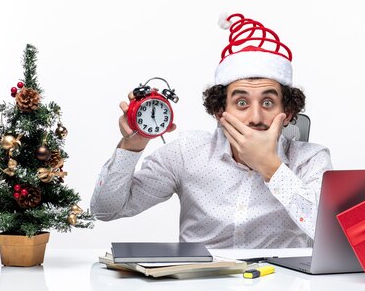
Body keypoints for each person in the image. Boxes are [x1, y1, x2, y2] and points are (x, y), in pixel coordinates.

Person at [90, 14, 332, 248]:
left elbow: (329, 235)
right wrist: (133, 145)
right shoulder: (186, 153)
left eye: (268, 103)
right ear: (219, 112)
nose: (255, 117)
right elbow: (105, 210)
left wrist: (270, 166)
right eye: (241, 103)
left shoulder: (311, 160)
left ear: (288, 112)